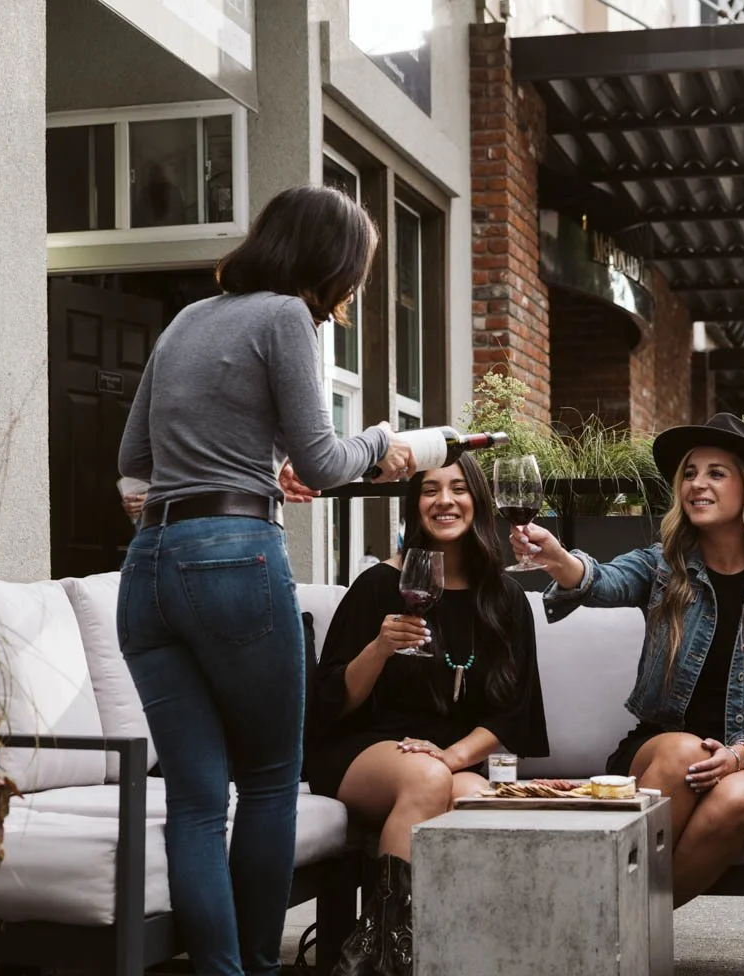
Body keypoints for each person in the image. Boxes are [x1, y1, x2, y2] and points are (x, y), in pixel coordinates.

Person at [116, 185, 414, 976]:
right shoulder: (285, 317)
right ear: (333, 262)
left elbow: (133, 464)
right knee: (274, 779)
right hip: (235, 558)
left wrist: (241, 480)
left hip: (146, 569)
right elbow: (324, 460)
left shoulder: (186, 319)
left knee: (195, 800)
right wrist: (382, 441)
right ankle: (255, 964)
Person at [511, 413, 744, 904]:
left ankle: (615, 923)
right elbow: (601, 580)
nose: (696, 483)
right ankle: (615, 931)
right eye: (690, 473)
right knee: (684, 752)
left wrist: (740, 755)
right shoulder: (662, 566)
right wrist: (557, 558)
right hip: (660, 748)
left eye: (716, 473)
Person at [308, 457, 547, 976]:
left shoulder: (504, 598)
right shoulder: (379, 585)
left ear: (478, 502)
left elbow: (515, 713)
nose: (444, 500)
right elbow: (330, 704)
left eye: (459, 489)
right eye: (429, 490)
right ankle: (391, 963)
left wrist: (453, 755)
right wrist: (379, 647)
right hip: (362, 749)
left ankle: (452, 955)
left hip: (447, 759)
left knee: (478, 801)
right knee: (428, 778)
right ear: (414, 506)